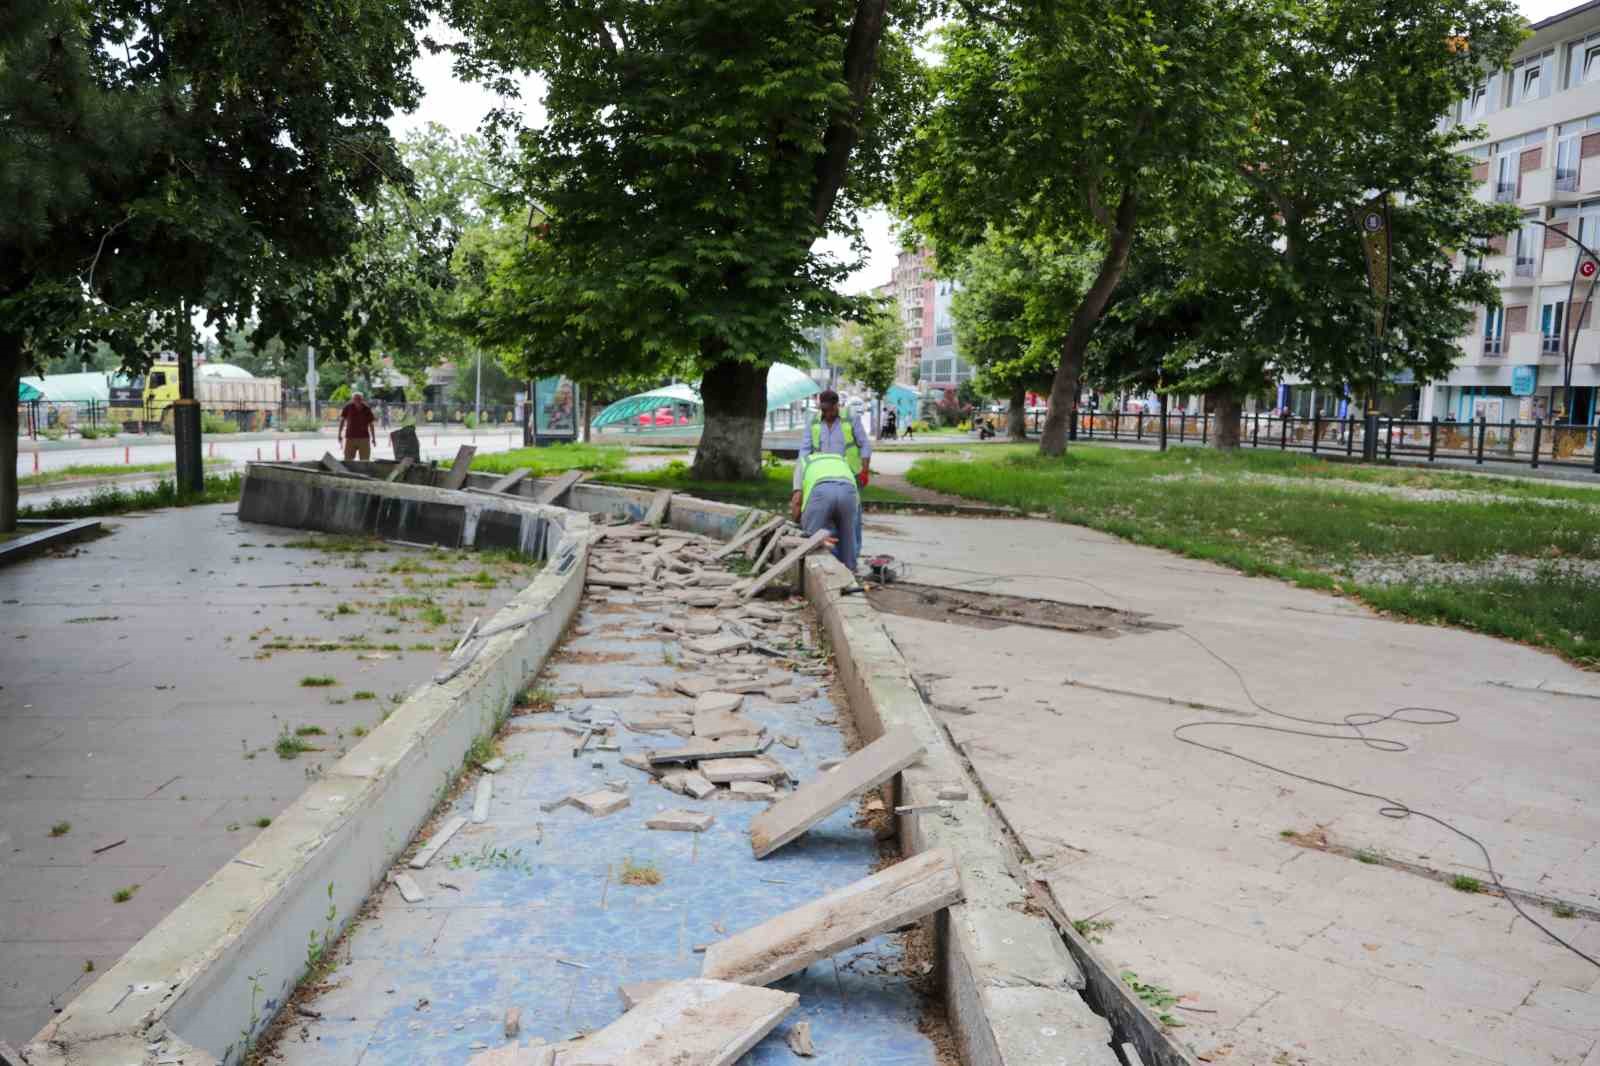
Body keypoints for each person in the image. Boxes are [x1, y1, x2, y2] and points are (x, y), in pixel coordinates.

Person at [793, 389, 871, 567]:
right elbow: (804, 452)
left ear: (837, 405)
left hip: (849, 474)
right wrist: (800, 480)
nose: (827, 413)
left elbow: (864, 444)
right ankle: (834, 558)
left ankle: (851, 559)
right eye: (824, 409)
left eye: (830, 409)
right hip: (821, 474)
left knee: (851, 520)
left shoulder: (850, 418)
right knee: (825, 515)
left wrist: (865, 470)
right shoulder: (813, 421)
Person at [791, 429, 861, 574]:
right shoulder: (840, 459)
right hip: (849, 492)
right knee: (848, 537)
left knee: (812, 539)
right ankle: (850, 574)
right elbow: (857, 524)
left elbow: (797, 499)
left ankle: (814, 574)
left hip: (821, 492)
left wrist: (797, 522)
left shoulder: (805, 461)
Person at [339, 391, 376, 462]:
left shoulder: (367, 409)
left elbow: (371, 424)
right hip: (350, 438)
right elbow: (342, 421)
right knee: (348, 460)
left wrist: (373, 438)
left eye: (359, 399)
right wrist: (339, 434)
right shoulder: (348, 407)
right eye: (355, 399)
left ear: (362, 399)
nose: (357, 400)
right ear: (352, 399)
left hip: (364, 438)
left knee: (365, 461)